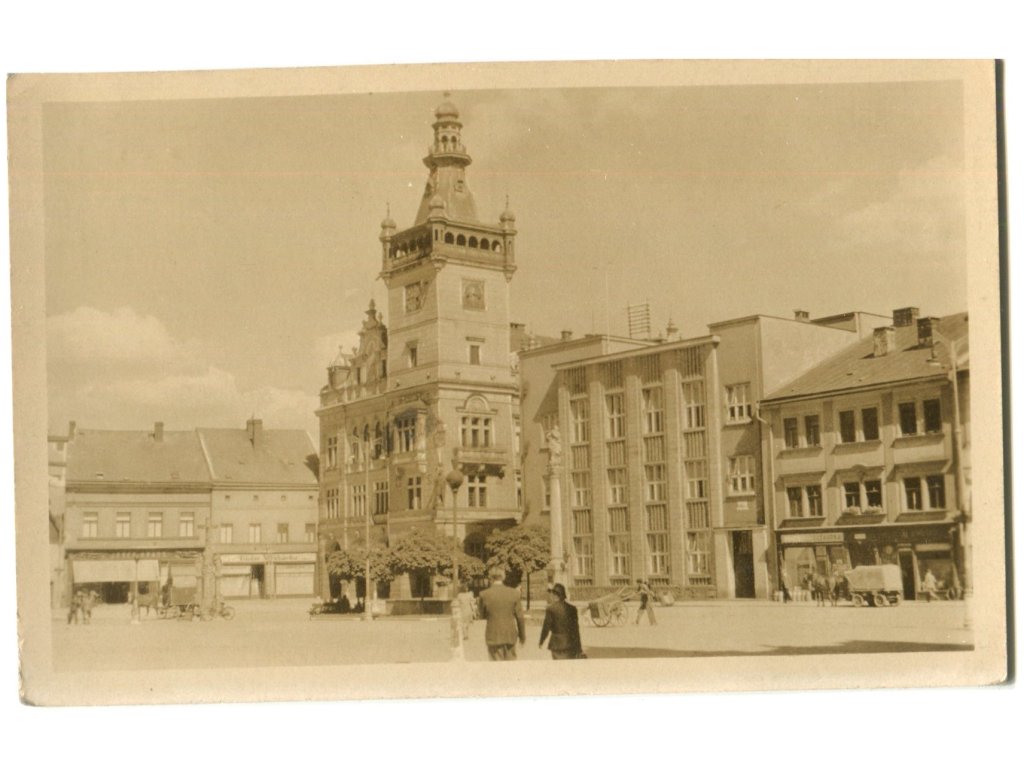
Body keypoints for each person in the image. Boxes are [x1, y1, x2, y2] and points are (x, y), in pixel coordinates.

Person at [476, 566, 526, 660]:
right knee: (510, 666)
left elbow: (482, 615)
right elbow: (520, 618)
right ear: (504, 577)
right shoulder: (514, 593)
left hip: (493, 636)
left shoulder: (484, 594)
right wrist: (522, 637)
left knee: (496, 667)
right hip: (510, 636)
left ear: (490, 578)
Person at [539, 583, 583, 660]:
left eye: (552, 594)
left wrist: (541, 641)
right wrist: (579, 648)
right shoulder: (572, 609)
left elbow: (546, 628)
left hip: (556, 645)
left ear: (555, 595)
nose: (551, 596)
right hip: (570, 644)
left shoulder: (551, 609)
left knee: (558, 666)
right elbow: (576, 630)